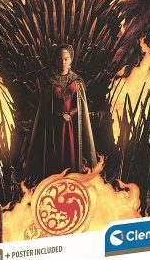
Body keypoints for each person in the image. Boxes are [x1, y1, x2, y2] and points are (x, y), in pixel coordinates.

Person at [24, 44, 97, 181]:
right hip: (54, 126)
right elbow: (45, 108)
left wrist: (71, 114)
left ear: (71, 60)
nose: (63, 62)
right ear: (56, 61)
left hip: (72, 125)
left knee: (72, 152)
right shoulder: (50, 83)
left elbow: (81, 105)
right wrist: (59, 115)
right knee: (56, 155)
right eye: (60, 59)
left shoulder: (77, 82)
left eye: (66, 59)